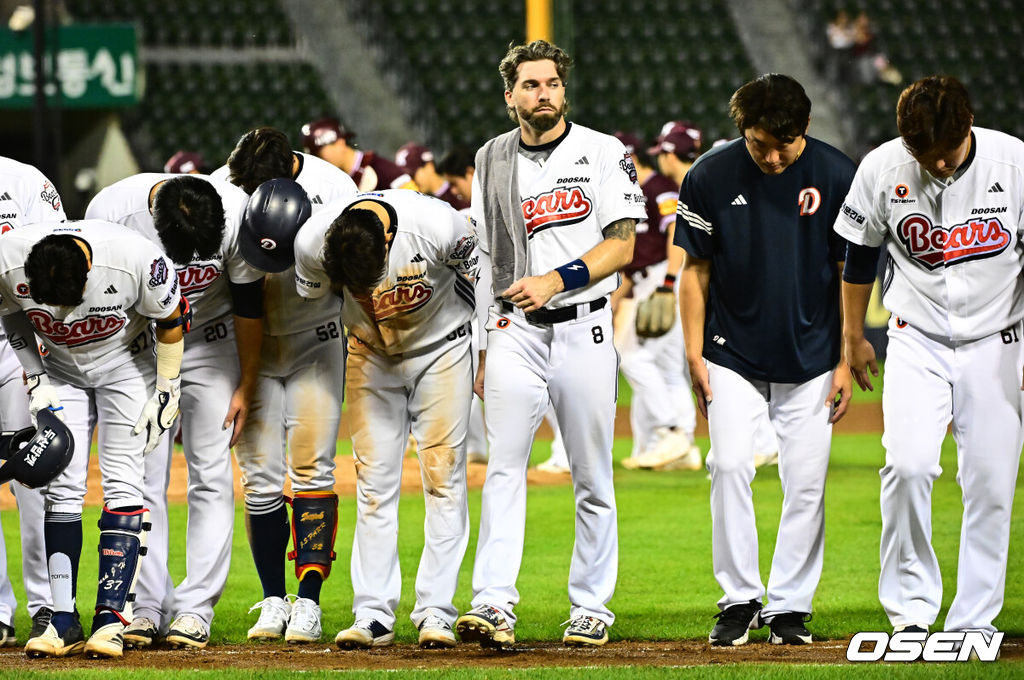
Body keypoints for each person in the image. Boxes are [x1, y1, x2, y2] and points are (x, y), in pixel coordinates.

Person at [455, 39, 643, 649]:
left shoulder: (602, 151)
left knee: (592, 476)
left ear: (564, 89)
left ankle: (590, 606)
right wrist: (484, 343)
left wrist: (559, 280)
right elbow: (486, 254)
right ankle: (492, 604)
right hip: (513, 332)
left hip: (584, 327)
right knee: (504, 469)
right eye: (531, 85)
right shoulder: (491, 158)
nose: (544, 93)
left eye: (552, 83)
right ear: (510, 96)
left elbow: (622, 245)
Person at [836, 75, 1024, 639]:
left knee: (990, 483)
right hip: (916, 339)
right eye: (925, 155)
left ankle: (974, 621)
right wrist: (852, 336)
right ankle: (911, 612)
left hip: (1000, 342)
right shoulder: (882, 167)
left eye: (947, 152)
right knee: (908, 465)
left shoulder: (1013, 162)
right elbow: (859, 256)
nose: (938, 165)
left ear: (969, 127)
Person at [675, 74, 854, 646]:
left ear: (806, 130)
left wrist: (848, 356)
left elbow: (853, 274)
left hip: (815, 352)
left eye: (786, 145)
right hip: (731, 350)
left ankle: (790, 608)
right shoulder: (708, 174)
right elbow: (694, 270)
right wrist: (693, 353)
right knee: (727, 465)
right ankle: (739, 599)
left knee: (805, 483)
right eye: (759, 145)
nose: (773, 158)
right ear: (742, 132)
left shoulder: (837, 174)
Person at [85, 173, 264, 650]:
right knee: (146, 474)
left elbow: (248, 301)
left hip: (211, 340)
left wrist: (247, 382)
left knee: (211, 471)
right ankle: (147, 606)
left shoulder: (234, 210)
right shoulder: (113, 211)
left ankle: (195, 609)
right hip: (140, 347)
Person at [293, 189, 477, 650]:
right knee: (373, 486)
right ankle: (373, 612)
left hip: (443, 349)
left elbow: (485, 275)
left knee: (443, 481)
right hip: (368, 353)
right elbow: (313, 305)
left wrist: (485, 347)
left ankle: (436, 610)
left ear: (390, 241)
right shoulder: (311, 240)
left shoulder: (439, 225)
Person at [1, 220, 185, 659]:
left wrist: (167, 387)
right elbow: (11, 314)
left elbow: (173, 318)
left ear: (88, 274)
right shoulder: (7, 259)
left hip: (127, 363)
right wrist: (34, 376)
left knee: (124, 482)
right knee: (60, 489)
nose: (61, 315)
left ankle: (111, 620)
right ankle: (62, 620)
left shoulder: (136, 259)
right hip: (59, 371)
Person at [222, 153, 356, 644]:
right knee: (257, 478)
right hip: (247, 346)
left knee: (313, 469)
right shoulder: (226, 184)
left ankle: (310, 603)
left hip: (314, 338)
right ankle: (274, 599)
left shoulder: (334, 184)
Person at [0, 156, 64, 647]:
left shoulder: (24, 181)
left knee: (31, 473)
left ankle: (47, 606)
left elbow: (56, 268)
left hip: (14, 342)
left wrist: (41, 358)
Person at [611, 129, 699, 471]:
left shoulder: (658, 188)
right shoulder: (636, 194)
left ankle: (670, 431)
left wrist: (668, 283)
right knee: (668, 369)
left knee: (631, 359)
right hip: (651, 280)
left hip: (665, 277)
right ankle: (685, 446)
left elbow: (677, 232)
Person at [300, 118, 417, 192]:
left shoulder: (379, 168)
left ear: (340, 142)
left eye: (319, 154)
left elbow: (416, 200)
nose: (319, 161)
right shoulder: (337, 183)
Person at [395, 142, 469, 212]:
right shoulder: (422, 204)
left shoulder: (463, 194)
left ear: (429, 166)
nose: (411, 181)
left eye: (412, 175)